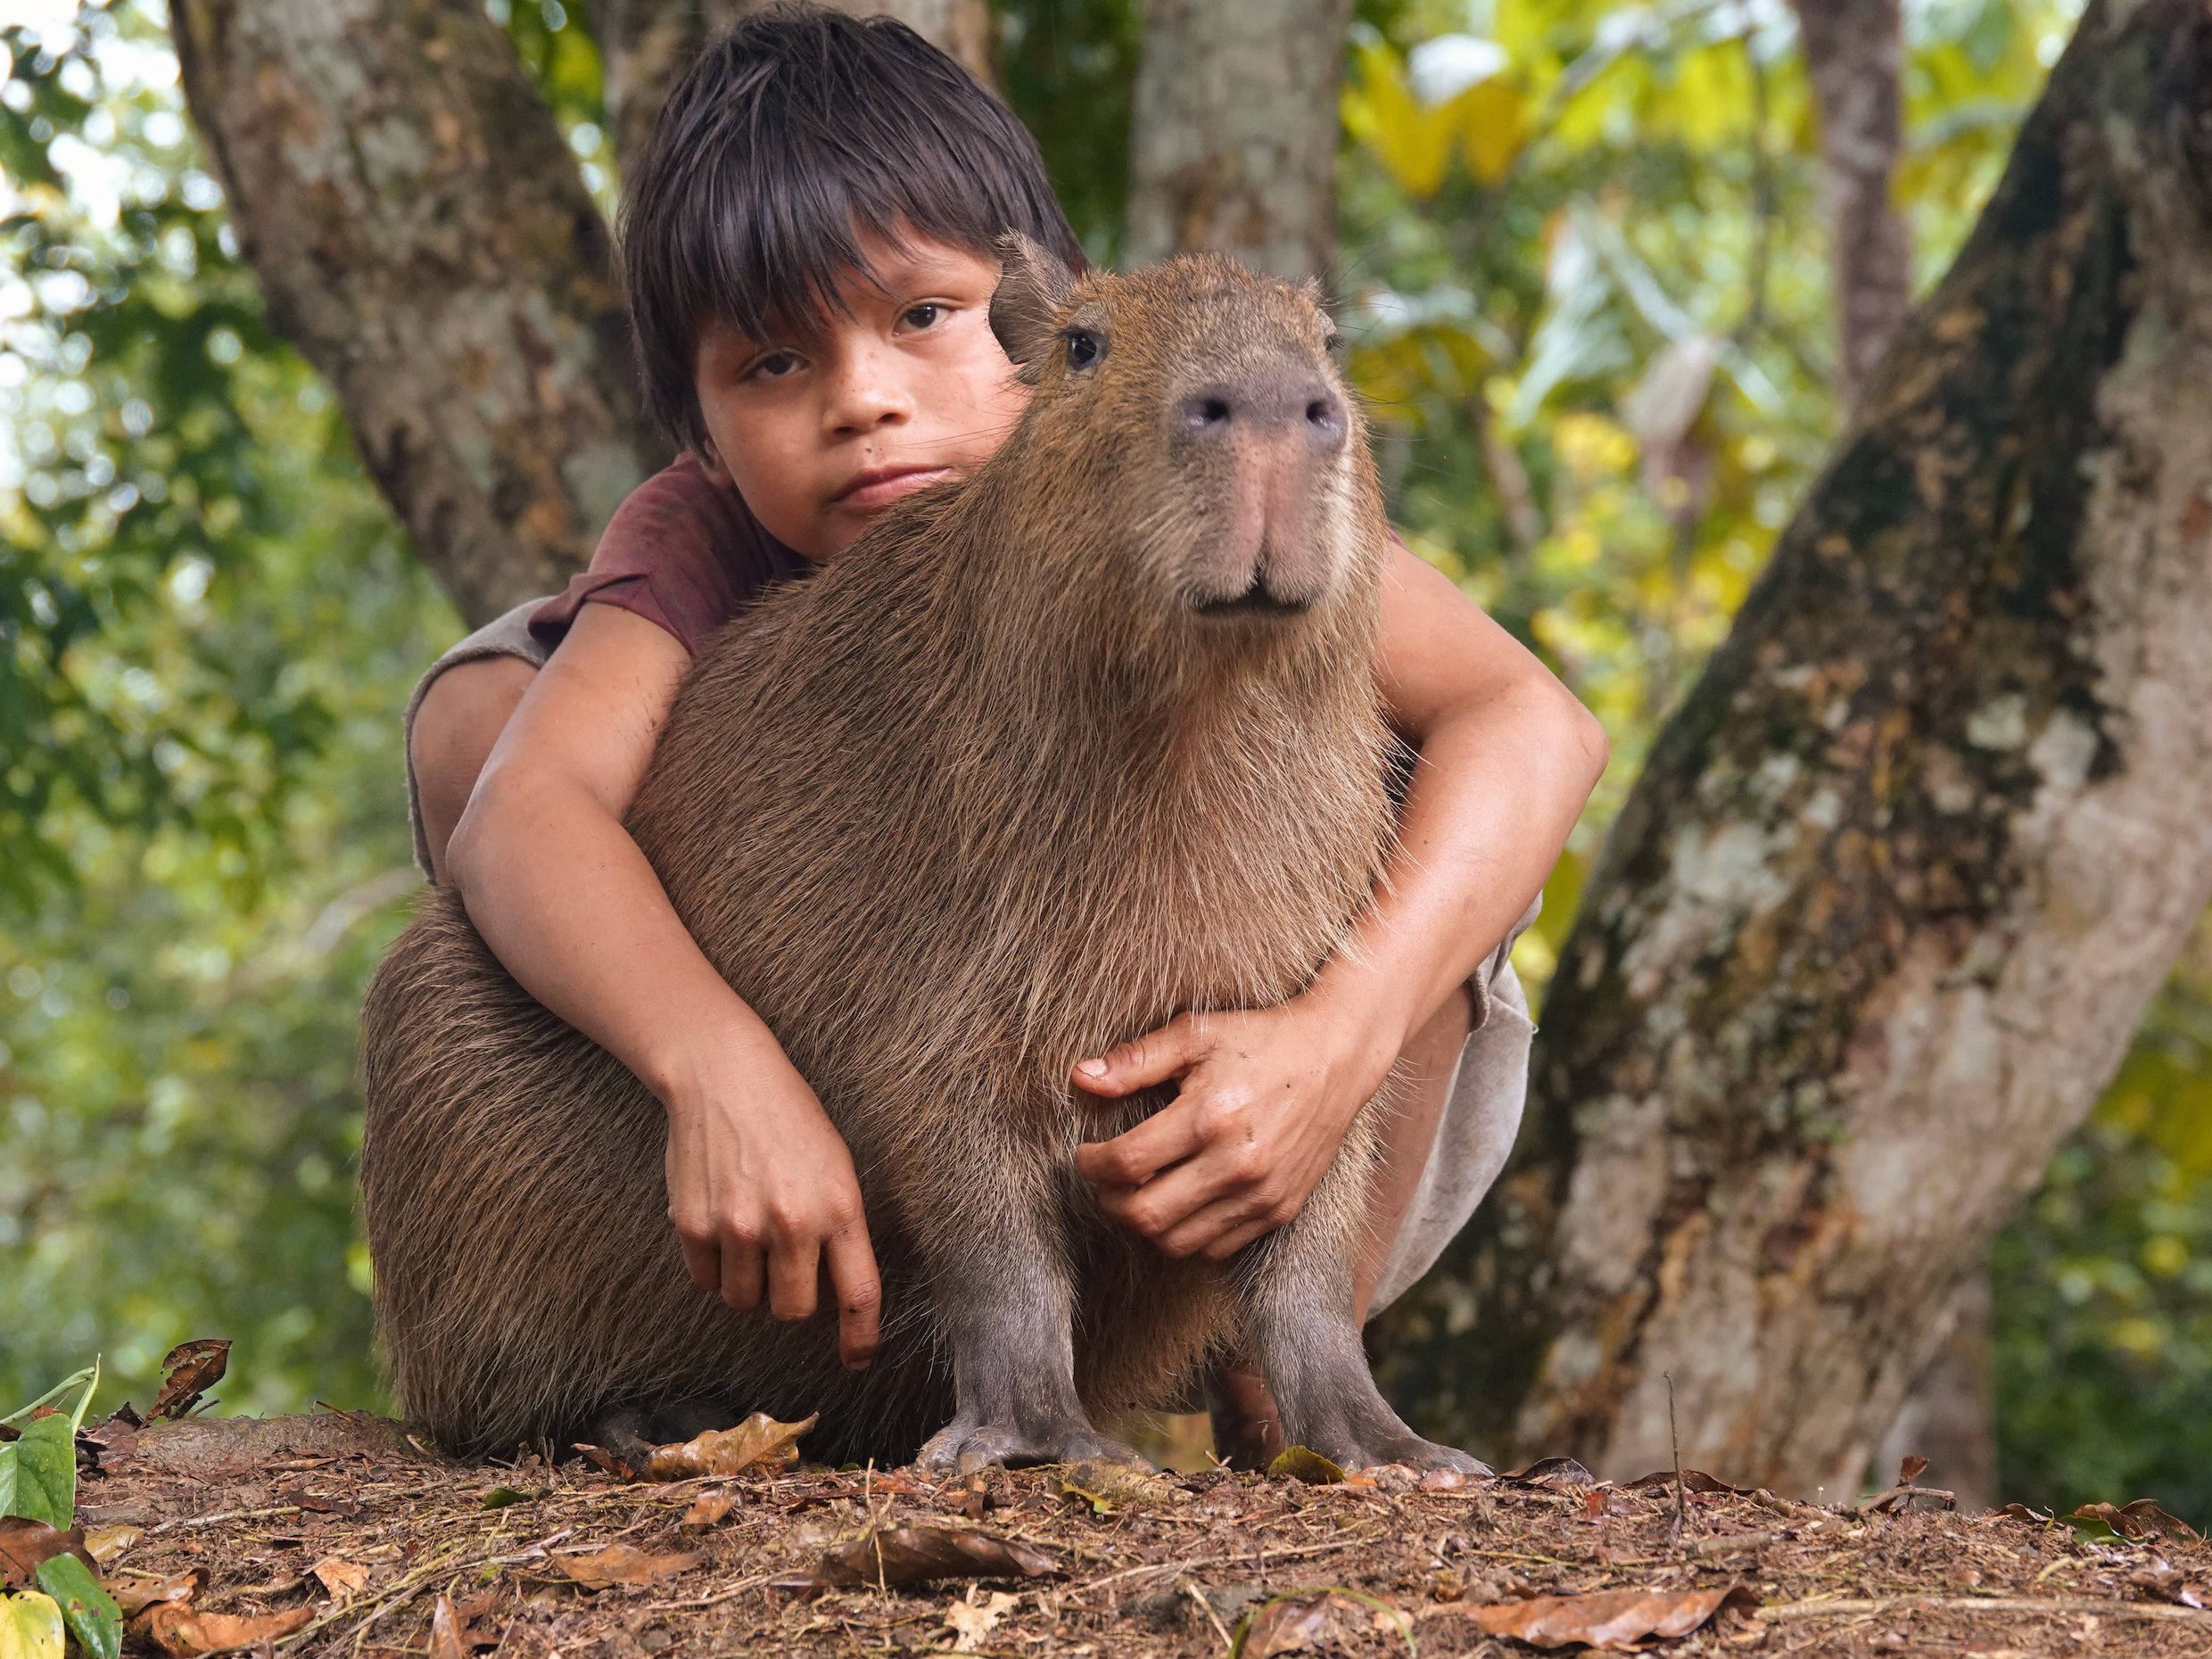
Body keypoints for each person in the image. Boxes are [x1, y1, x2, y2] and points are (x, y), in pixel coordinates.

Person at [400, 4, 1606, 1465]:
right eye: (772, 364)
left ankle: (1294, 1366)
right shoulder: (702, 537)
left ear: (1040, 327)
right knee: (486, 737)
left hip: (1192, 1089)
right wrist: (716, 1068)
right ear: (698, 428)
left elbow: (1535, 719)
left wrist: (1333, 1039)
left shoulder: (1145, 465)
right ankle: (655, 1353)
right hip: (804, 1023)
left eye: (923, 318)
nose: (866, 401)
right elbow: (526, 807)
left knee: (1439, 837)